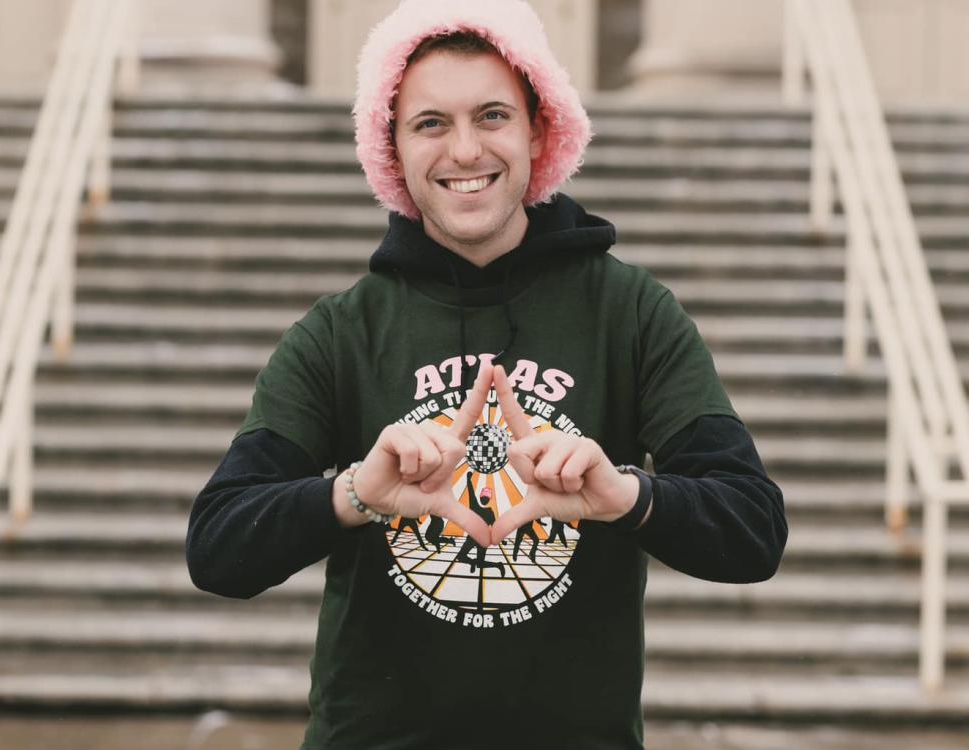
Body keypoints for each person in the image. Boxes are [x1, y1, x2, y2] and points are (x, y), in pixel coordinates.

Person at [186, 1, 788, 747]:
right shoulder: (339, 334)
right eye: (430, 123)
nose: (464, 150)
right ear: (392, 146)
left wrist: (624, 496)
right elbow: (217, 547)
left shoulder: (631, 314)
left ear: (540, 130)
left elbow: (753, 530)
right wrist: (354, 494)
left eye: (493, 115)